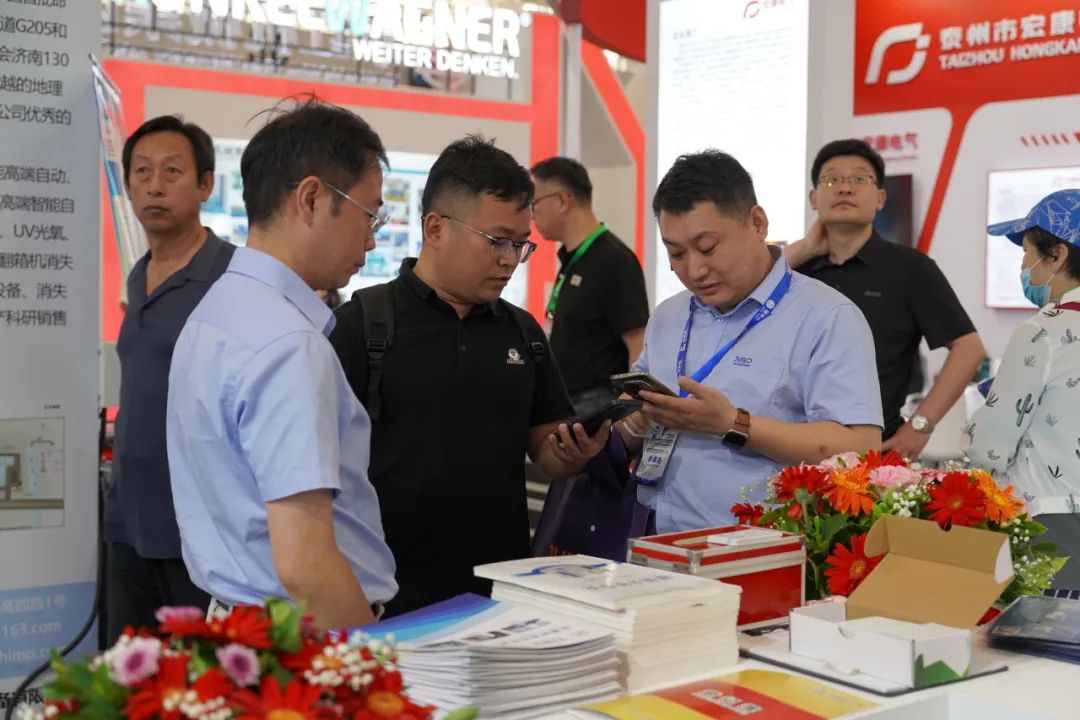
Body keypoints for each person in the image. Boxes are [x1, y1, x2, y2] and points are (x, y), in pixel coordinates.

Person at [330, 136, 610, 616]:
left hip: (500, 593)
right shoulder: (364, 324)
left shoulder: (523, 333)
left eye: (520, 245)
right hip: (388, 595)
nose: (509, 259)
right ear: (436, 228)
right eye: (497, 241)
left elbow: (546, 450)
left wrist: (571, 453)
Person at [166, 99, 397, 629]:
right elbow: (306, 566)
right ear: (311, 199)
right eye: (369, 214)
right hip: (305, 636)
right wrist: (377, 663)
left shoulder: (215, 311)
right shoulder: (289, 343)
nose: (371, 237)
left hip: (240, 622)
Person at [619, 150, 883, 533]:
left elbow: (859, 446)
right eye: (675, 253)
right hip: (650, 539)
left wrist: (732, 423)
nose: (694, 270)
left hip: (753, 549)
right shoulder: (668, 315)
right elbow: (635, 410)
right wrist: (626, 424)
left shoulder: (826, 317)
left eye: (707, 248)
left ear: (757, 223)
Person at [104, 116, 234, 643]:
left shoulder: (230, 276)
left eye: (172, 172)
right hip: (129, 525)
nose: (154, 186)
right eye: (142, 172)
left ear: (205, 184)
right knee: (128, 674)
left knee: (203, 677)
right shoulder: (139, 274)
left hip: (200, 536)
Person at [785, 139, 985, 460]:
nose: (845, 188)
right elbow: (745, 287)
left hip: (875, 450)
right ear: (813, 198)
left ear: (880, 198)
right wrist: (804, 249)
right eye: (832, 179)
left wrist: (920, 426)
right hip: (791, 444)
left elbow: (968, 348)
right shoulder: (794, 270)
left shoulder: (910, 268)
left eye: (859, 178)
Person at [966, 189, 1080, 589]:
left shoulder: (1042, 331)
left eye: (1027, 253)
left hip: (1055, 523)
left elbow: (990, 447)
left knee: (1048, 624)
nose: (1023, 265)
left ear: (1057, 255)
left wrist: (974, 426)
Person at [529, 156, 650, 414]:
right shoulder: (574, 259)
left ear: (562, 201)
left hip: (597, 407)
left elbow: (638, 342)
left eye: (534, 204)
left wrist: (629, 410)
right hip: (567, 401)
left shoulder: (614, 260)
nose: (531, 215)